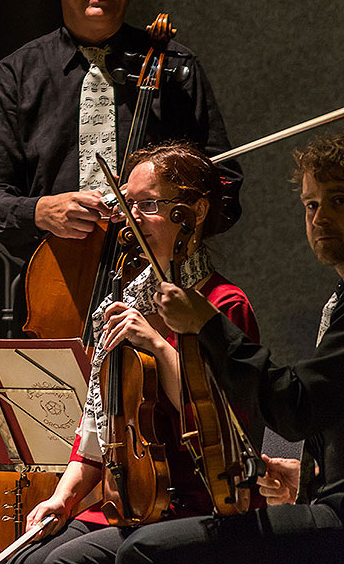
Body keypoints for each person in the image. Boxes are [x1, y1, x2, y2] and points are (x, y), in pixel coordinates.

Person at [0, 0, 242, 333]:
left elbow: (226, 184)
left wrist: (169, 216)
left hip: (160, 298)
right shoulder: (16, 75)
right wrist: (42, 211)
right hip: (58, 292)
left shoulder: (175, 69)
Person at [8, 141, 259, 564]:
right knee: (23, 559)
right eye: (129, 203)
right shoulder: (126, 298)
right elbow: (97, 425)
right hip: (122, 501)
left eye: (148, 204)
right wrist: (62, 499)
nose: (131, 218)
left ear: (194, 212)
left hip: (195, 503)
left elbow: (224, 428)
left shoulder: (224, 304)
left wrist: (159, 347)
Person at [117, 133, 344, 563]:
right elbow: (323, 409)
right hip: (326, 503)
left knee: (145, 552)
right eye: (312, 205)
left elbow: (293, 406)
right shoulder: (339, 299)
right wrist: (308, 474)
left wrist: (206, 323)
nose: (320, 218)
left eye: (338, 201)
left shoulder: (227, 303)